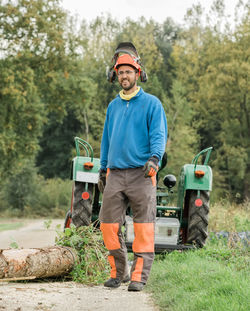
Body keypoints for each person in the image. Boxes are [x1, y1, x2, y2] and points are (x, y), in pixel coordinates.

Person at [98, 49, 168, 292]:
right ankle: (119, 272)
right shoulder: (113, 106)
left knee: (143, 227)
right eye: (120, 72)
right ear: (116, 75)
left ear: (137, 73)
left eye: (128, 72)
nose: (124, 76)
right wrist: (102, 167)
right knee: (108, 224)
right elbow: (106, 139)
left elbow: (159, 134)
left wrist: (154, 158)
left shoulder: (152, 104)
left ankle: (138, 277)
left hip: (142, 173)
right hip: (115, 174)